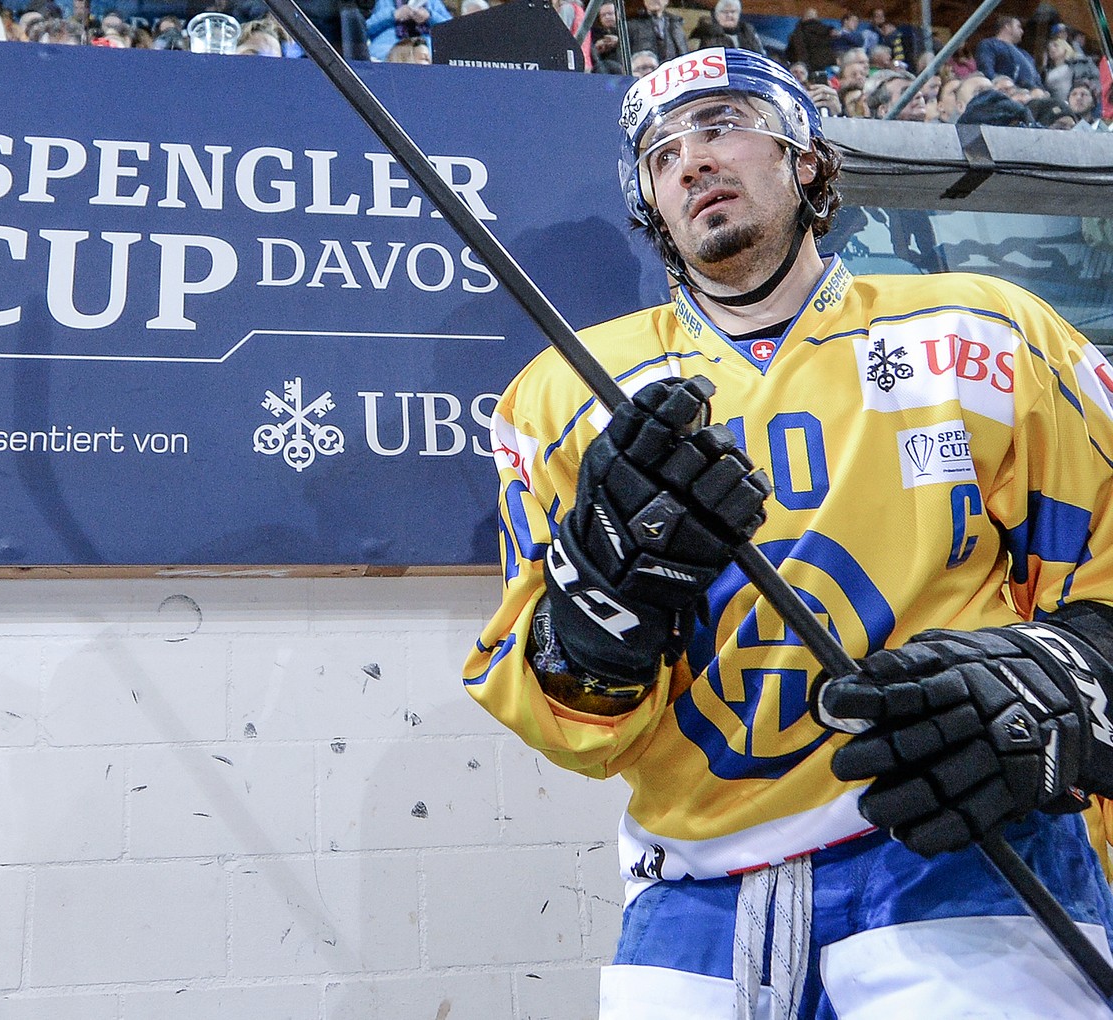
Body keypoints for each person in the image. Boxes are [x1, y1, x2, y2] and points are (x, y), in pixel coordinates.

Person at [465, 46, 1113, 1018]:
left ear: (806, 158)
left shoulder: (988, 333)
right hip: (692, 899)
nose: (691, 159)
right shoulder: (566, 396)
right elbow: (573, 719)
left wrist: (1074, 683)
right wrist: (599, 611)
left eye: (721, 124)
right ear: (651, 201)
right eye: (662, 153)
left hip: (965, 855)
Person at [364, 0, 451, 62]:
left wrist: (429, 16)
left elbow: (451, 30)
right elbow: (364, 28)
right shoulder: (382, 2)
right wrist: (394, 15)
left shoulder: (433, 2)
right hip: (385, 54)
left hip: (426, 54)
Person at [975, 14, 1044, 90]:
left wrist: (1041, 91)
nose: (1022, 31)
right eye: (1018, 27)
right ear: (1007, 26)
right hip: (1006, 92)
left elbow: (1037, 79)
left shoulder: (1025, 54)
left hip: (1031, 95)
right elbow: (986, 71)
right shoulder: (989, 45)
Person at [688, 0, 765, 55]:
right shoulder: (704, 33)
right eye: (724, 12)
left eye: (733, 12)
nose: (729, 15)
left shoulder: (747, 31)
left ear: (739, 14)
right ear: (716, 15)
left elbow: (760, 54)